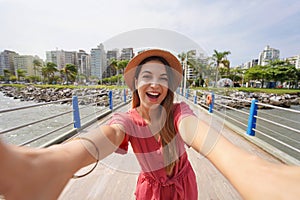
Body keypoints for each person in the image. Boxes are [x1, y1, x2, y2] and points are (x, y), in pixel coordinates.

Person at [0, 49, 300, 200]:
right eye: (147, 76)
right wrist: (56, 161)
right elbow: (105, 135)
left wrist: (254, 169)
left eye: (163, 77)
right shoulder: (126, 120)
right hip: (150, 191)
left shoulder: (180, 112)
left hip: (184, 185)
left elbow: (200, 135)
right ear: (135, 85)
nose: (155, 83)